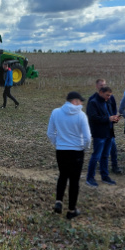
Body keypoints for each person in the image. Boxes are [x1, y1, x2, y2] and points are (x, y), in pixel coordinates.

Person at [47, 91, 91, 220]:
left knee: (62, 175)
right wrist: (85, 148)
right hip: (77, 151)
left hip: (61, 151)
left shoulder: (56, 112)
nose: (82, 104)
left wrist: (58, 143)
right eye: (80, 101)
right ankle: (71, 210)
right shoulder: (81, 116)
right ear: (75, 101)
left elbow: (50, 133)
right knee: (74, 181)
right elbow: (88, 137)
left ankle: (59, 201)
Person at [86, 86, 120, 186]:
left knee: (105, 156)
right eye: (107, 95)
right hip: (99, 134)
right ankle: (90, 178)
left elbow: (109, 115)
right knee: (96, 156)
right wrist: (108, 119)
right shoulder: (93, 102)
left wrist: (114, 119)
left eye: (110, 95)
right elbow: (93, 118)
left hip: (109, 133)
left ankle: (105, 176)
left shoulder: (107, 101)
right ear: (101, 92)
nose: (109, 97)